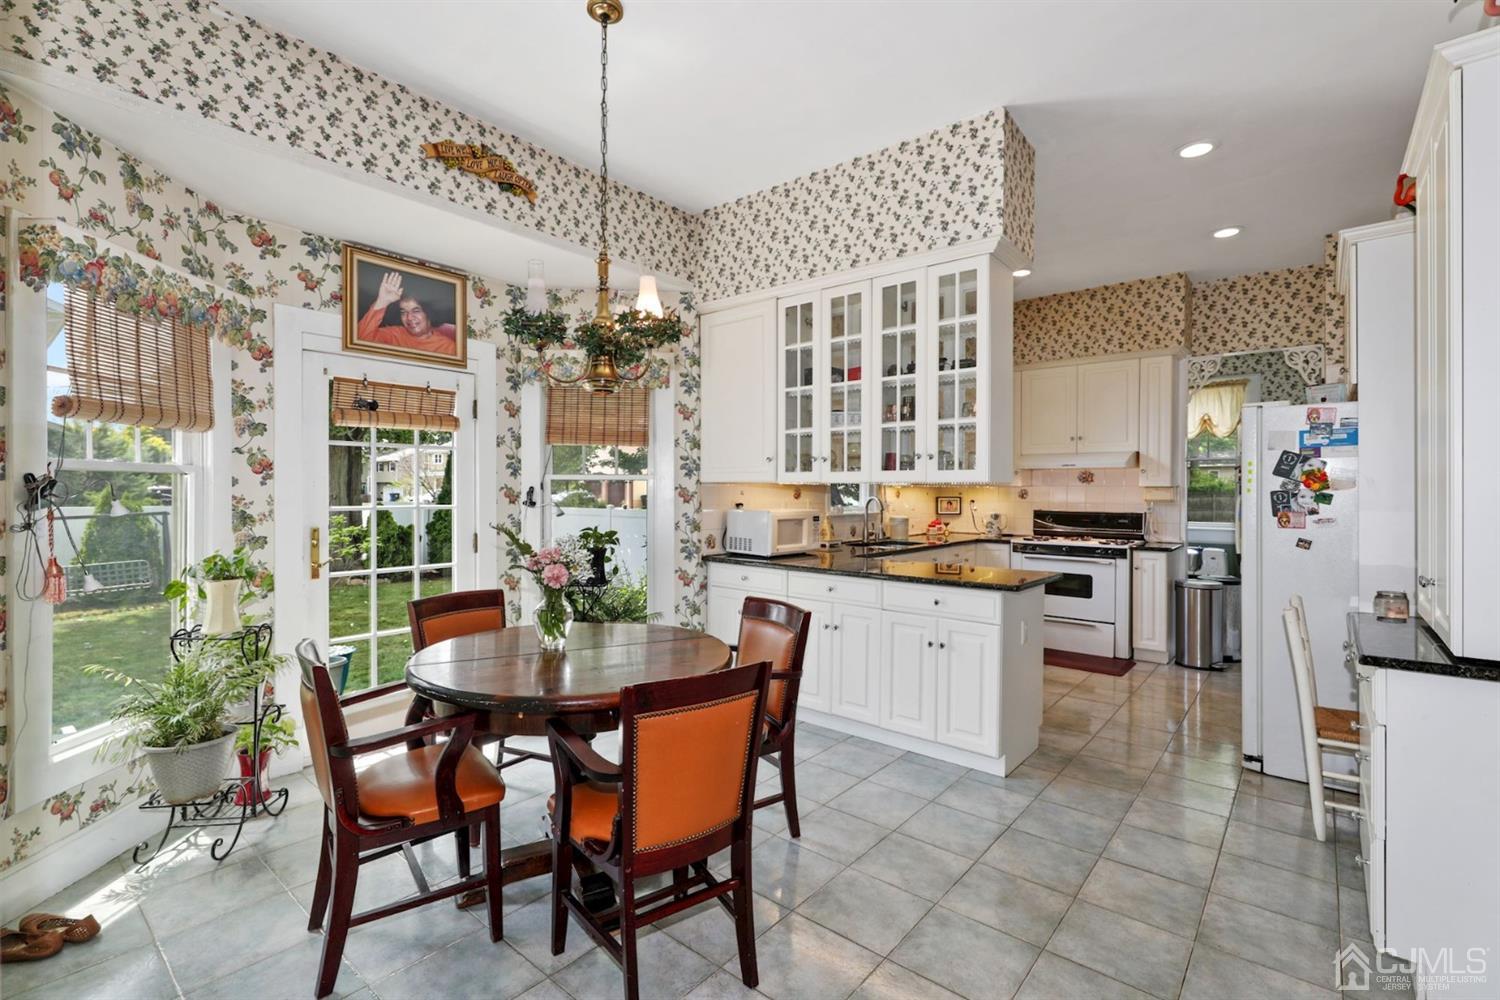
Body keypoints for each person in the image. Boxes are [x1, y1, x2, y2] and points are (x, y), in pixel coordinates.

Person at [357, 271, 458, 355]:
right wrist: (382, 301)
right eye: (404, 312)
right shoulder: (394, 335)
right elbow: (360, 339)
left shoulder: (448, 347)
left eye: (416, 311)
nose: (409, 317)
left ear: (429, 313)